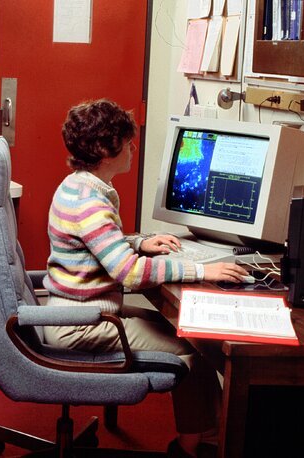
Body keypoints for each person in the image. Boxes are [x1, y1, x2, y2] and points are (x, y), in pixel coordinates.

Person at [43, 99, 249, 458]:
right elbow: (130, 272)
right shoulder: (90, 203)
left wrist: (138, 241)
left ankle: (211, 433)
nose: (133, 149)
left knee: (186, 331)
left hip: (76, 312)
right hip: (80, 325)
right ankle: (190, 446)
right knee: (190, 348)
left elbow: (98, 244)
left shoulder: (78, 187)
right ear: (107, 150)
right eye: (128, 142)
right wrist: (201, 270)